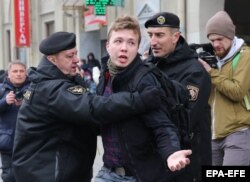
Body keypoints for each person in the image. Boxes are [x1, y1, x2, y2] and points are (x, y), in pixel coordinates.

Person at [12, 31, 163, 182]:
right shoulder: (51, 89)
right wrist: (139, 100)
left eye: (75, 54)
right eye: (69, 56)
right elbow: (92, 108)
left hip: (53, 171)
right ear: (52, 60)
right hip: (48, 174)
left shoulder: (54, 81)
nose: (76, 60)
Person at [95, 15, 192, 182]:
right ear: (108, 45)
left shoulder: (144, 79)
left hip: (137, 176)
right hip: (108, 171)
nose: (124, 48)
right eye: (118, 41)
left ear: (137, 48)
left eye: (131, 43)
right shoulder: (106, 75)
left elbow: (162, 125)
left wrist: (171, 152)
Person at [144, 12, 212, 181]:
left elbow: (184, 119)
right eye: (150, 35)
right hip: (156, 162)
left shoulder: (194, 71)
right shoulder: (148, 67)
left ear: (175, 37)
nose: (153, 41)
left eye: (160, 35)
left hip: (188, 165)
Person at [199, 10, 250, 166]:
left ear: (230, 36)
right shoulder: (216, 60)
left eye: (219, 39)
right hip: (214, 134)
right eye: (212, 40)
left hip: (238, 132)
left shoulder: (245, 56)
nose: (215, 44)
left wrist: (211, 72)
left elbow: (237, 91)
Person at [0, 61, 29, 182]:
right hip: (8, 142)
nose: (18, 74)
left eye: (21, 71)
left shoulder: (32, 89)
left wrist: (26, 104)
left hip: (29, 141)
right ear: (8, 75)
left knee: (28, 175)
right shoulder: (1, 90)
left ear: (26, 74)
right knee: (9, 176)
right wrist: (5, 102)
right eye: (15, 71)